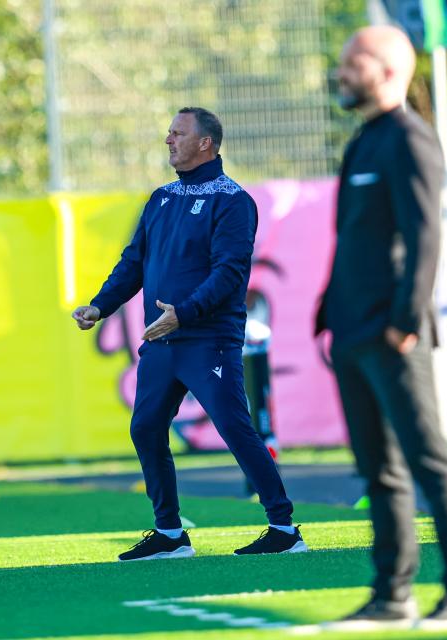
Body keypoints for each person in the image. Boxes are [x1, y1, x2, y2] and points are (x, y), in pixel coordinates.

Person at [73, 107, 305, 560]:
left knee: (235, 428)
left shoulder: (233, 200)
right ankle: (171, 535)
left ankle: (284, 528)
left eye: (178, 133)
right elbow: (133, 263)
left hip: (207, 339)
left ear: (206, 143)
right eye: (168, 132)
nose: (168, 140)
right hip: (162, 340)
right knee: (145, 429)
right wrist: (100, 306)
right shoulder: (161, 199)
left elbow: (230, 273)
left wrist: (185, 313)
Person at [314, 26, 447, 630]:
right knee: (379, 473)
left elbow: (423, 237)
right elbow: (353, 238)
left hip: (393, 333)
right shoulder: (363, 142)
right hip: (353, 333)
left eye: (349, 63)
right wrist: (325, 313)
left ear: (384, 68)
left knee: (429, 462)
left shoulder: (411, 139)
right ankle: (392, 595)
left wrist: (406, 321)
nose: (340, 73)